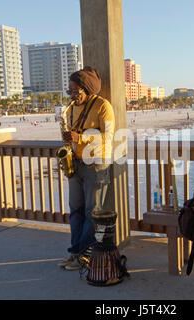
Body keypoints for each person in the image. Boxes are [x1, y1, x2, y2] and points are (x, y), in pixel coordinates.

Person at [58, 66, 115, 271]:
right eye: (70, 91)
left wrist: (80, 137)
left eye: (76, 91)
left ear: (87, 89)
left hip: (96, 163)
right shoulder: (71, 108)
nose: (73, 96)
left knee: (93, 211)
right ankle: (74, 253)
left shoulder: (103, 106)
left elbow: (109, 136)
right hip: (77, 162)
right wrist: (70, 142)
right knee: (75, 211)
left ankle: (86, 255)